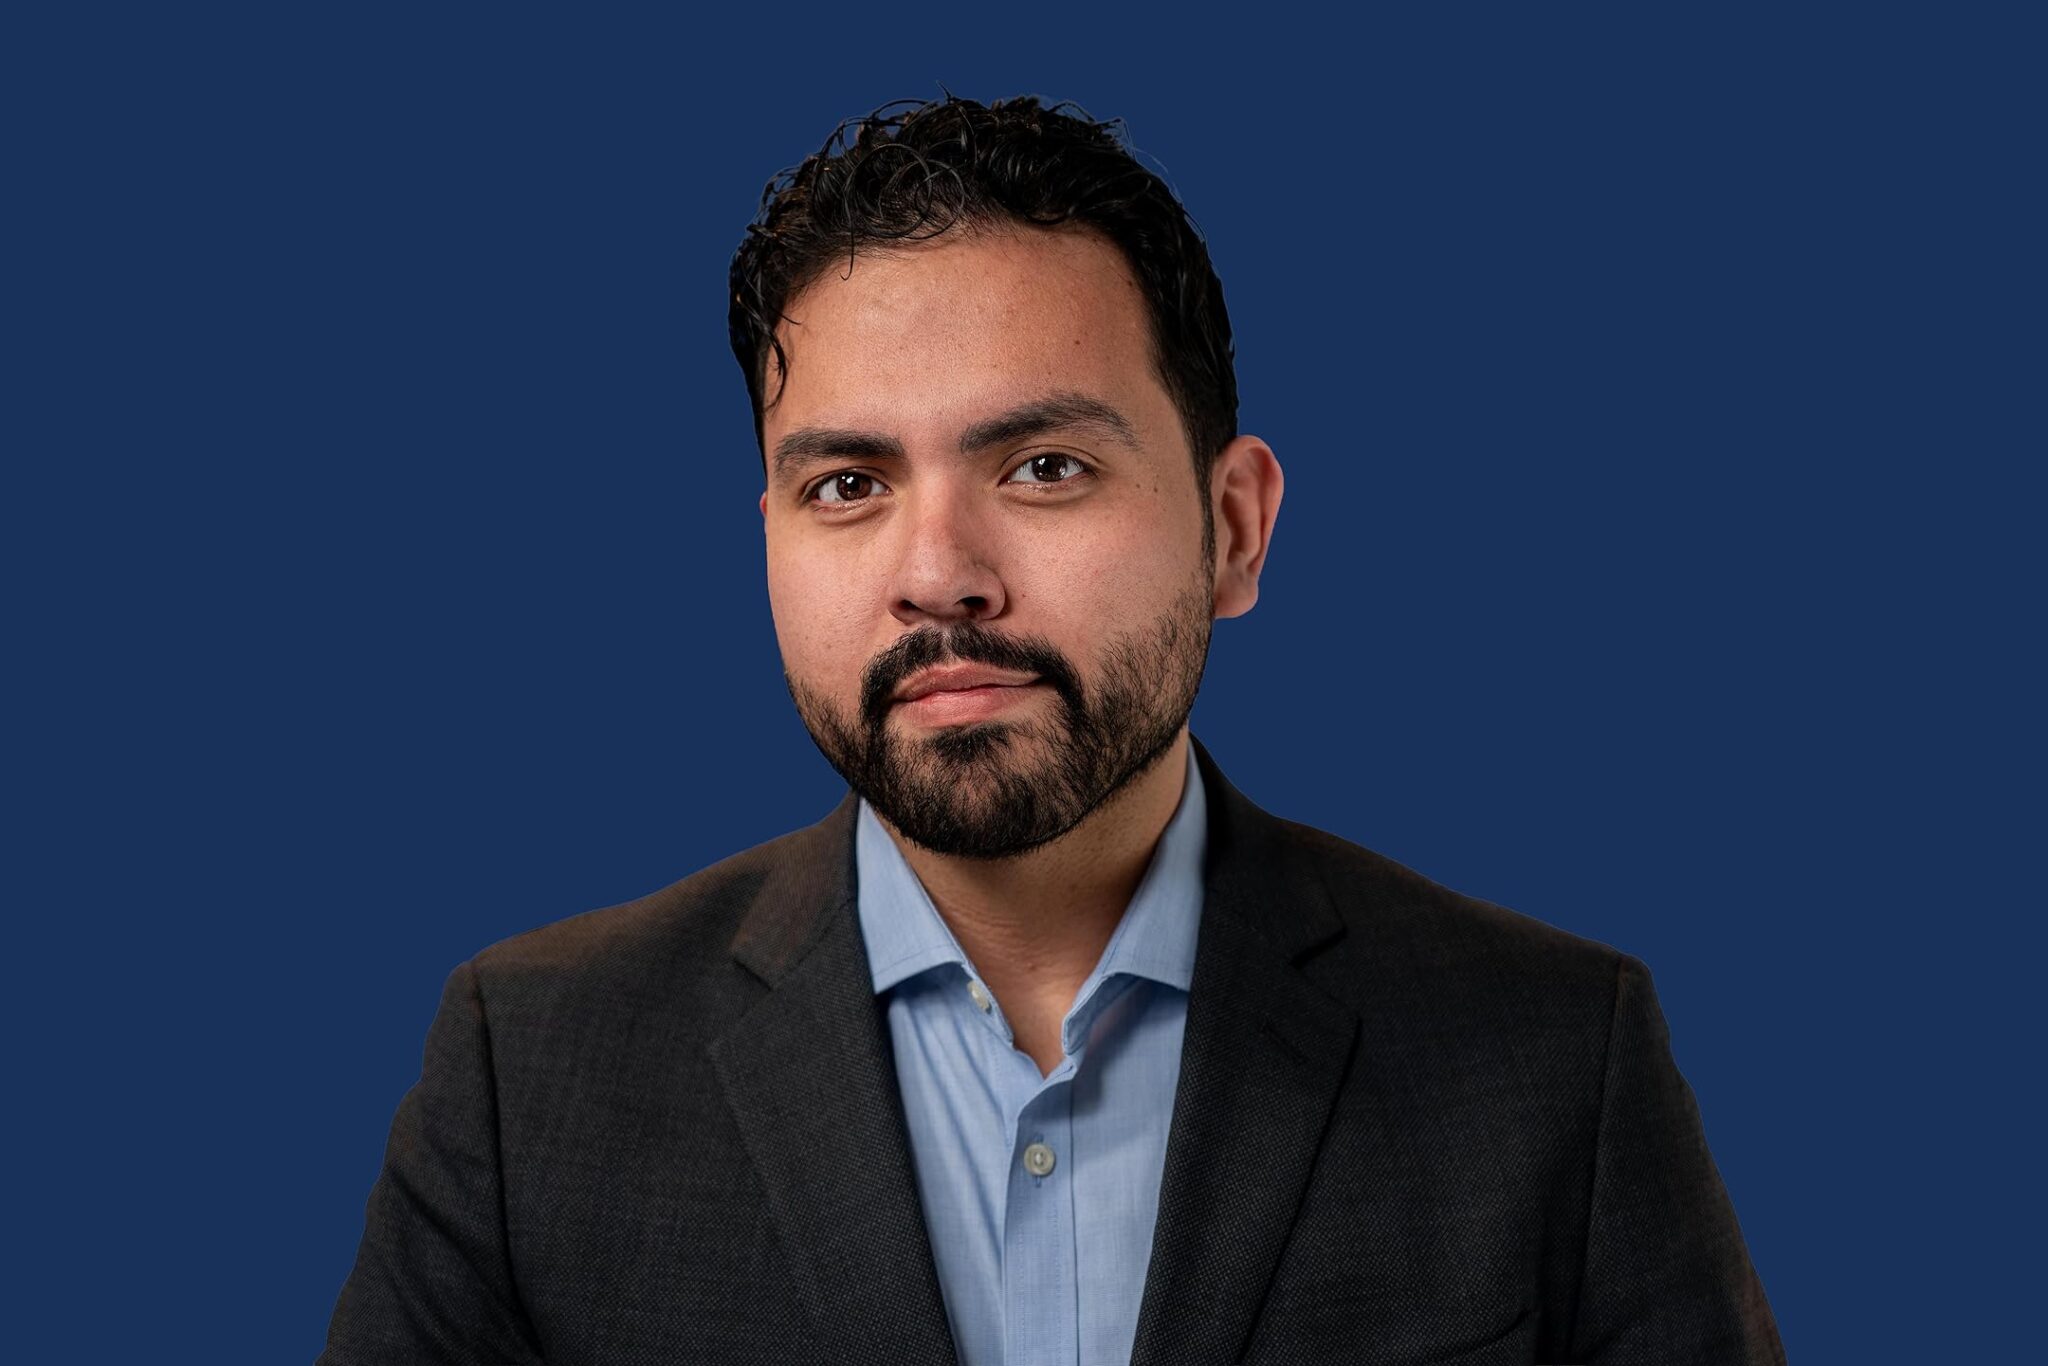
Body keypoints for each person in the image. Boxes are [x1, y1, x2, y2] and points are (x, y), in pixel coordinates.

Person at [321, 94, 1785, 1366]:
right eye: (848, 484)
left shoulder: (1548, 1058)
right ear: (765, 536)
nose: (938, 569)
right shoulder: (532, 1072)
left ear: (1233, 527)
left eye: (1040, 465)